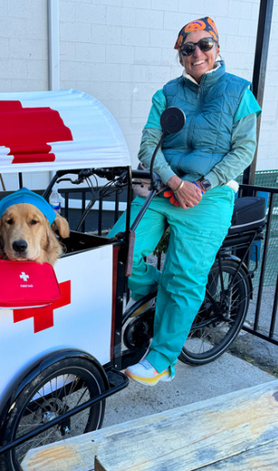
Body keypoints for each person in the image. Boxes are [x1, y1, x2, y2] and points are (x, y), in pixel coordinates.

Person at [108, 17, 261, 386]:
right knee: (115, 249)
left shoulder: (239, 92)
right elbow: (148, 145)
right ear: (180, 56)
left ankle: (162, 358)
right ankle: (163, 292)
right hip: (166, 188)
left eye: (205, 44)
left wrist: (203, 184)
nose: (197, 53)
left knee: (185, 274)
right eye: (188, 48)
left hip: (210, 195)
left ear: (218, 48)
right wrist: (176, 182)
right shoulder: (166, 93)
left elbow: (245, 150)